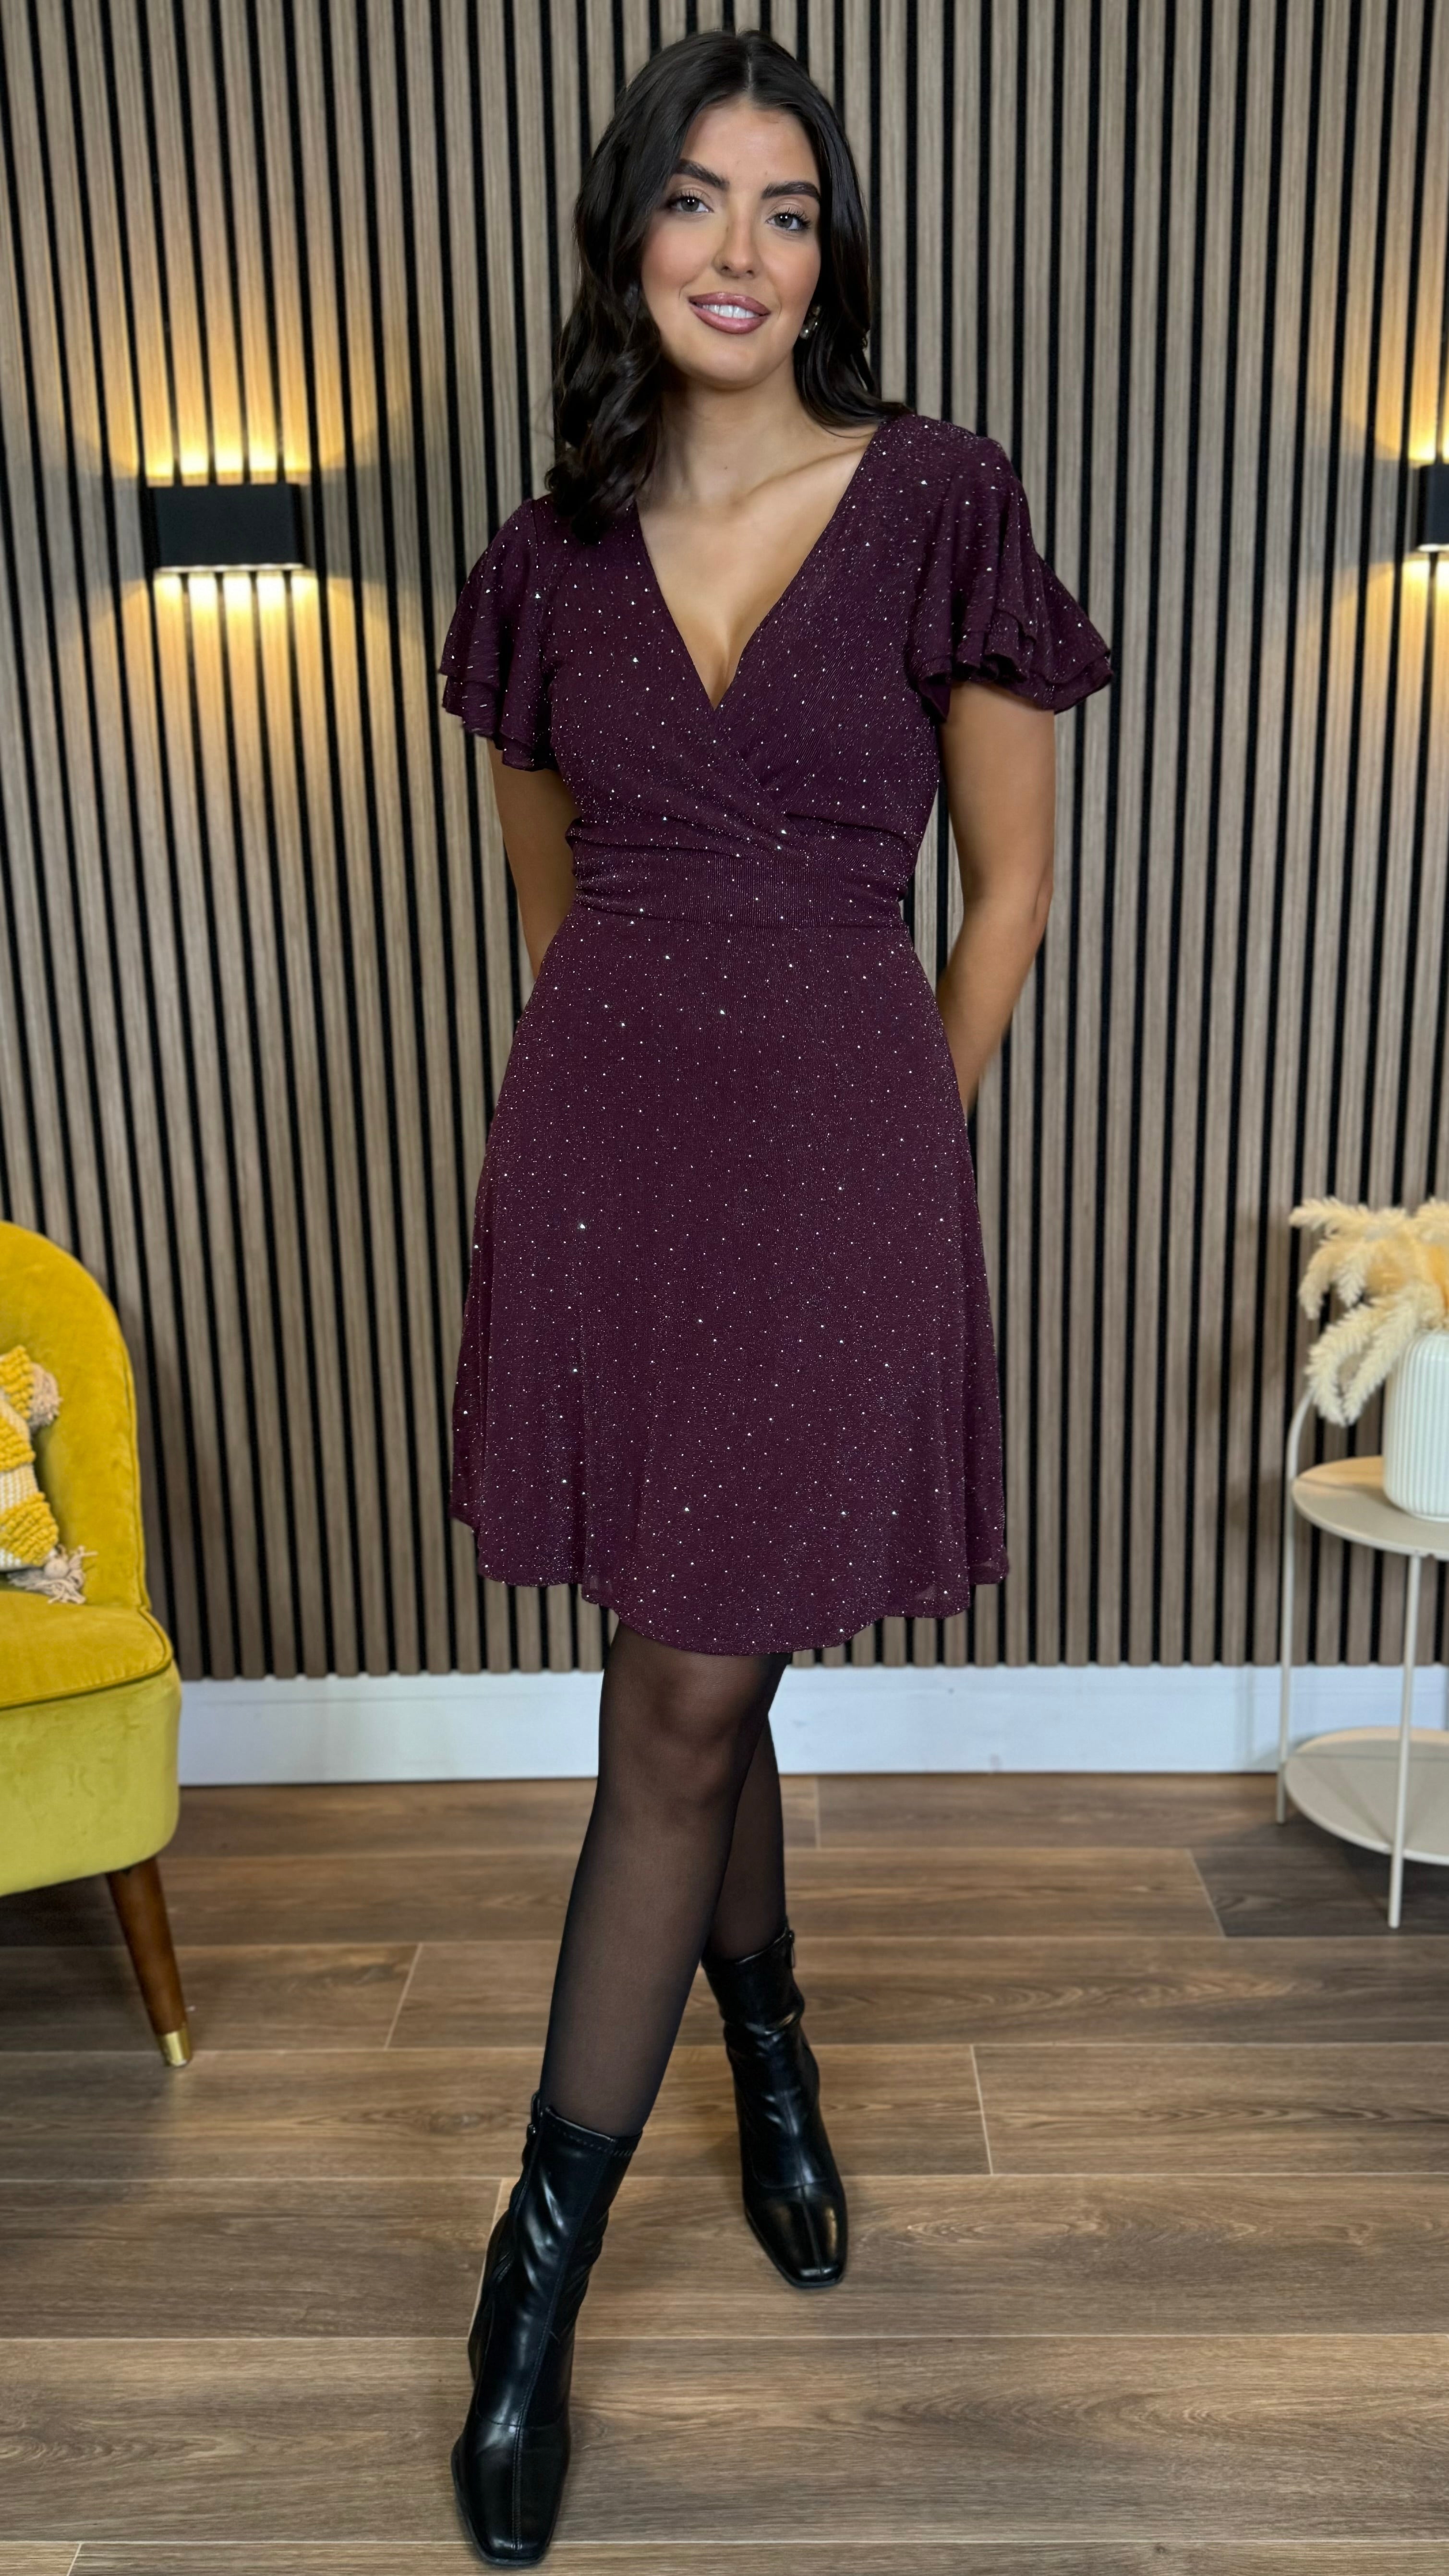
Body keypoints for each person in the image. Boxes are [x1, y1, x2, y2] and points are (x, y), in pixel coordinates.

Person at [436, 26, 1112, 2566]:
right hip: (612, 1169)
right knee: (697, 1673)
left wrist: (899, 1141)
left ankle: (528, 2289)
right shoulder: (549, 554)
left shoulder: (940, 498)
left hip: (842, 1164)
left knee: (683, 1692)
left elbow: (1007, 889)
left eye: (789, 207)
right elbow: (559, 906)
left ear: (832, 253)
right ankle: (776, 2045)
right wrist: (593, 1140)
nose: (741, 249)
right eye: (698, 200)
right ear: (628, 234)